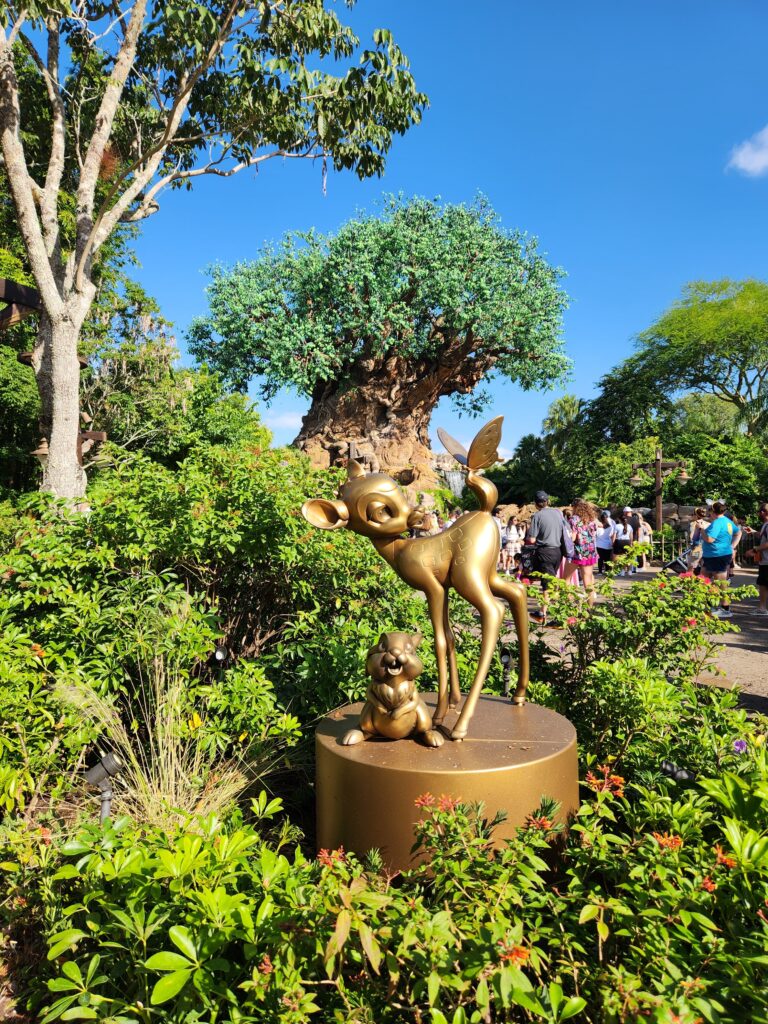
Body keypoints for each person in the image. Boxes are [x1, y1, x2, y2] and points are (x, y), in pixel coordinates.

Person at [525, 490, 566, 624]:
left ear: (536, 504)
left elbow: (531, 539)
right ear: (548, 501)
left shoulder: (537, 516)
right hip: (558, 552)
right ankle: (550, 613)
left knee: (547, 585)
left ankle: (544, 614)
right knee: (553, 582)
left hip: (544, 552)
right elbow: (567, 532)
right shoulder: (558, 513)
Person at [701, 501, 742, 618]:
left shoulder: (717, 523)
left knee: (720, 582)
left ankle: (725, 608)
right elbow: (738, 532)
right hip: (713, 555)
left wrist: (702, 529)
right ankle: (708, 605)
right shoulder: (728, 522)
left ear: (713, 511)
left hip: (717, 555)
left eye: (709, 510)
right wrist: (732, 546)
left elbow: (709, 539)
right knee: (703, 580)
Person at [563, 498, 599, 606]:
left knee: (566, 580)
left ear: (575, 507)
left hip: (576, 553)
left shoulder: (573, 520)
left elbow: (573, 538)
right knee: (588, 582)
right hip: (590, 553)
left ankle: (568, 605)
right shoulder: (592, 520)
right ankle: (590, 609)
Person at [746, 502, 768, 615]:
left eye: (759, 512)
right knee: (763, 583)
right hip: (765, 560)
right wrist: (753, 532)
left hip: (767, 560)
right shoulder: (766, 524)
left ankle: (762, 608)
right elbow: (762, 536)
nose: (758, 514)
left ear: (764, 512)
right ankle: (762, 607)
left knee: (763, 584)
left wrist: (754, 550)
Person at [613, 509, 634, 575]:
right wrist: (631, 543)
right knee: (627, 557)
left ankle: (621, 571)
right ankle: (629, 570)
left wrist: (613, 543)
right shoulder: (629, 526)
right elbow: (631, 536)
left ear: (620, 520)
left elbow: (614, 536)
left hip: (619, 541)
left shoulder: (617, 526)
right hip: (627, 541)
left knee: (617, 557)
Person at [688, 506, 708, 574]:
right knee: (703, 568)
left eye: (692, 514)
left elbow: (692, 537)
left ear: (696, 515)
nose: (692, 516)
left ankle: (689, 582)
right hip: (706, 548)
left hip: (696, 548)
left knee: (691, 568)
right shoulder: (708, 524)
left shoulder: (693, 523)